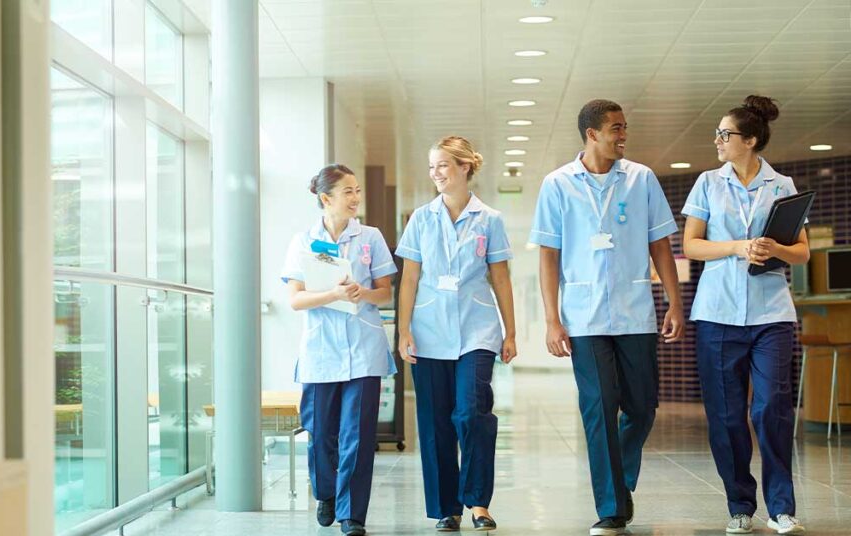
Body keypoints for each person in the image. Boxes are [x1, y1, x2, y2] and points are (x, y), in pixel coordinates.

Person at [529, 99, 684, 536]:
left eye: (624, 128)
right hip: (583, 317)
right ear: (591, 133)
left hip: (636, 312)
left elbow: (660, 244)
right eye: (615, 128)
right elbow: (548, 254)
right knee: (598, 408)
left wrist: (674, 301)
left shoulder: (642, 179)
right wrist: (551, 319)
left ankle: (619, 480)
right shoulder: (557, 184)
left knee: (641, 408)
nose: (623, 135)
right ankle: (612, 506)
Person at [681, 95, 808, 535]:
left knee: (772, 407)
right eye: (717, 133)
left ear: (750, 140)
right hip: (717, 313)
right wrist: (737, 247)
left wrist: (775, 249)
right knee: (728, 414)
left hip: (772, 313)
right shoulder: (707, 184)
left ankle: (781, 507)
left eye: (725, 134)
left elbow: (803, 252)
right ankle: (739, 504)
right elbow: (692, 245)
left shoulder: (783, 185)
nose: (717, 140)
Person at [395, 136, 517, 532]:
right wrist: (403, 330)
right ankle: (447, 508)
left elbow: (500, 276)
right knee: (434, 424)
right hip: (429, 332)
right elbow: (410, 278)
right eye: (432, 167)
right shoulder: (421, 219)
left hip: (477, 331)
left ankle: (478, 501)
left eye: (443, 166)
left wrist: (510, 332)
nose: (436, 174)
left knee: (471, 412)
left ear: (465, 167)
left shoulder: (490, 220)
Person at [281, 164, 398, 536]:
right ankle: (327, 494)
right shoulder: (303, 241)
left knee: (358, 435)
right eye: (348, 192)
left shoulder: (371, 237)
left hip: (363, 347)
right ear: (325, 198)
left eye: (358, 191)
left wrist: (362, 293)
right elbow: (296, 300)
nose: (356, 198)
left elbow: (386, 292)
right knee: (320, 433)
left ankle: (352, 515)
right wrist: (332, 294)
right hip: (320, 350)